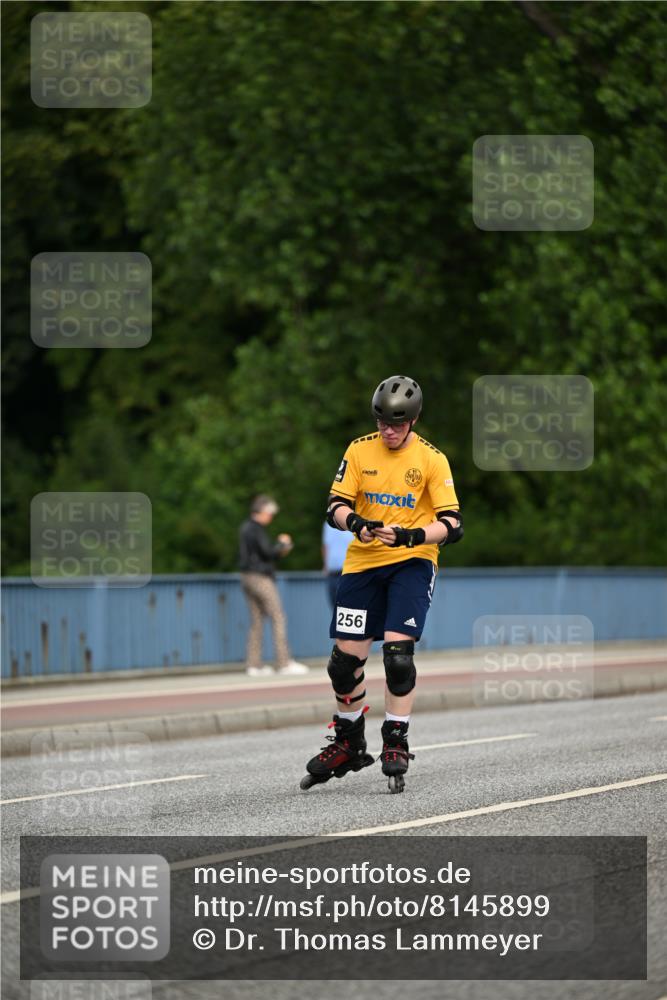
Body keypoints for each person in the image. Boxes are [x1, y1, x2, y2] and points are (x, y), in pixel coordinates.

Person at [301, 375, 463, 793]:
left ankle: (396, 740)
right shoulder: (359, 450)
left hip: (412, 560)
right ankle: (349, 741)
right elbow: (335, 506)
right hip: (363, 563)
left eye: (397, 423)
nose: (388, 431)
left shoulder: (432, 459)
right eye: (382, 423)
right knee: (343, 664)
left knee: (397, 656)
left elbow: (452, 524)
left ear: (414, 419)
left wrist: (411, 536)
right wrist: (356, 523)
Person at [238, 495, 309, 677]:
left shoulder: (245, 528)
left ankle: (253, 665)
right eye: (270, 514)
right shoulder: (257, 529)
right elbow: (268, 553)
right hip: (260, 577)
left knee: (257, 620)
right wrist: (282, 545)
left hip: (245, 576)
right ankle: (284, 662)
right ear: (262, 511)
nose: (271, 518)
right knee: (277, 616)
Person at [322, 519, 353, 608]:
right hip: (332, 573)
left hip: (348, 573)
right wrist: (325, 565)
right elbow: (325, 545)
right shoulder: (327, 523)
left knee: (350, 608)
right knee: (335, 608)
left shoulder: (354, 521)